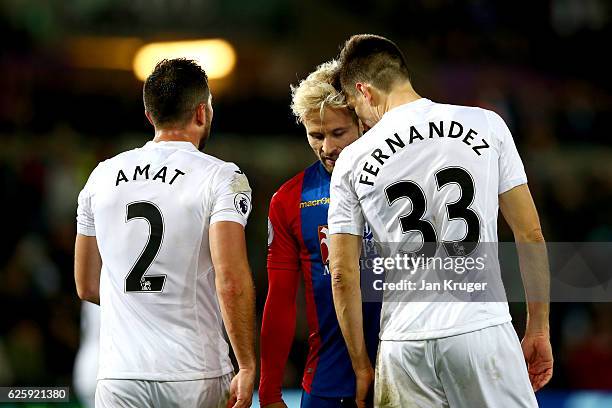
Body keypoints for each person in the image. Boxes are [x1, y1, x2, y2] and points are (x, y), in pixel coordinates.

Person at [328, 34, 553, 407]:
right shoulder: (486, 124)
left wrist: (361, 366)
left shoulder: (353, 161)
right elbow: (530, 234)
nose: (360, 119)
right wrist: (539, 328)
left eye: (353, 105)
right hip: (479, 330)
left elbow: (342, 273)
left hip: (404, 344)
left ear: (364, 91)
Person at [74, 58, 256, 408]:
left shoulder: (101, 176)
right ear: (202, 113)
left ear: (149, 115)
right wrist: (246, 364)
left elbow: (87, 285)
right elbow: (231, 278)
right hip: (193, 373)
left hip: (119, 376)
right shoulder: (222, 177)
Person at [259, 60, 380, 408]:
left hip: (408, 374)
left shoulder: (403, 186)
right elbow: (280, 301)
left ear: (363, 121)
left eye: (338, 133)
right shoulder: (289, 200)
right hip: (329, 384)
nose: (327, 148)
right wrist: (268, 392)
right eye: (316, 135)